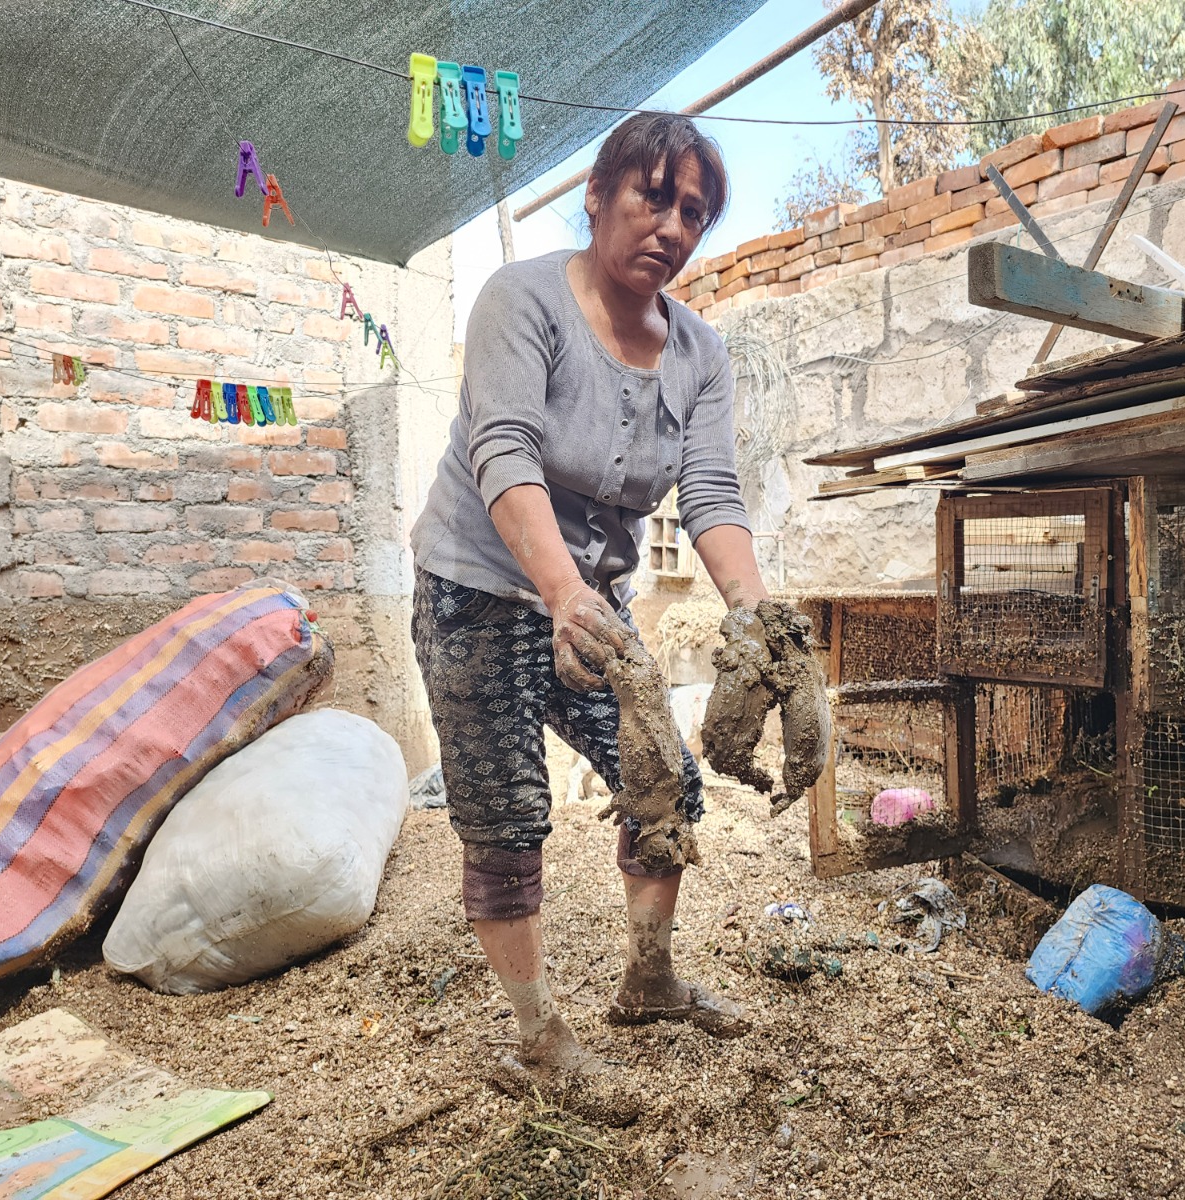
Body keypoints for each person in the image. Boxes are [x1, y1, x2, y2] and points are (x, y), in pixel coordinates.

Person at [409, 112, 767, 1109]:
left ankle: (647, 983)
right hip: (478, 585)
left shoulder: (698, 351)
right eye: (652, 195)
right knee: (508, 815)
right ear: (599, 195)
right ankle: (536, 1043)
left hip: (592, 601)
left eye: (693, 211)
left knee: (668, 782)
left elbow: (712, 497)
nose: (671, 225)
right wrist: (560, 590)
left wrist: (759, 614)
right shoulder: (520, 300)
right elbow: (504, 453)